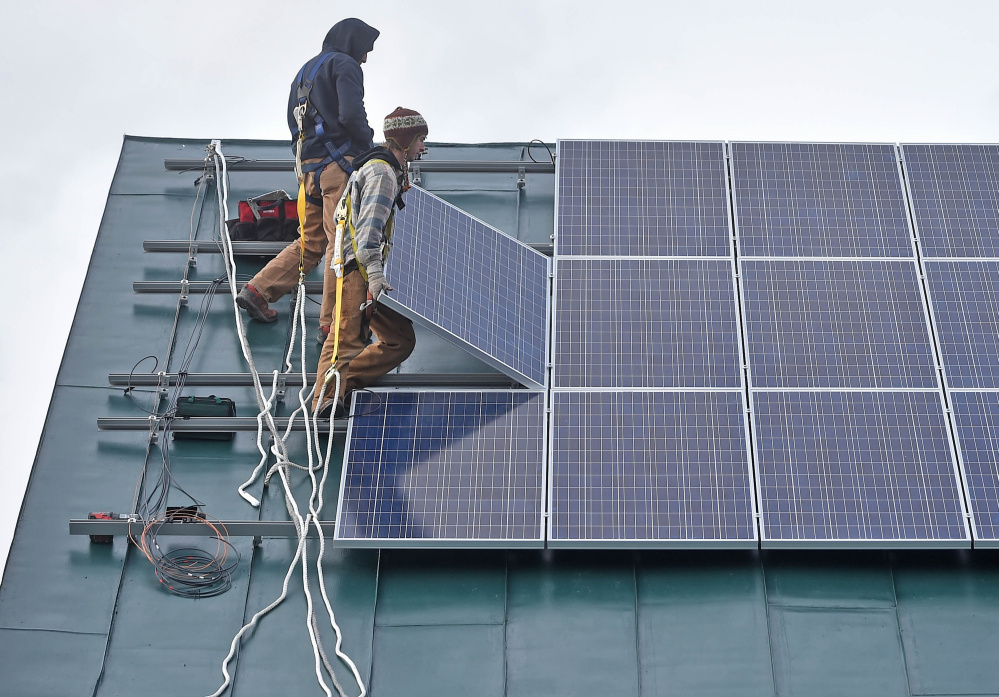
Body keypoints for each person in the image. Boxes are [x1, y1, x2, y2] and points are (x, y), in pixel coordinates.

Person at [236, 18, 379, 344]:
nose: (365, 59)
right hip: (337, 169)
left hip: (309, 172)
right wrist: (369, 154)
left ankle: (259, 290)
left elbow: (294, 124)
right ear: (352, 42)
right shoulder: (344, 64)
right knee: (339, 242)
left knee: (312, 243)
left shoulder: (304, 72)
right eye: (365, 50)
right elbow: (351, 115)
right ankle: (331, 324)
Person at [313, 108, 429, 417]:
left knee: (400, 340)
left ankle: (343, 383)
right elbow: (367, 234)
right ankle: (325, 399)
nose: (424, 148)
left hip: (368, 271)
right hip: (359, 271)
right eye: (420, 140)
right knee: (345, 339)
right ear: (404, 141)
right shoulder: (382, 173)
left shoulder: (386, 172)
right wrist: (375, 276)